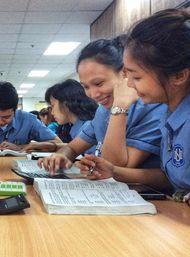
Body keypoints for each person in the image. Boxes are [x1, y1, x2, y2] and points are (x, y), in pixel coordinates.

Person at [76, 9, 190, 199]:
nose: (128, 84)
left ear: (178, 75)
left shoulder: (162, 112)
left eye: (136, 76)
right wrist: (113, 171)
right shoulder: (170, 114)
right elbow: (169, 177)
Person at [39, 36, 167, 173]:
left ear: (125, 73)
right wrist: (61, 156)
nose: (93, 95)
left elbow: (114, 165)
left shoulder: (152, 108)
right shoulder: (102, 111)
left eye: (99, 83)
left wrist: (119, 107)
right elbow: (73, 147)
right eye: (86, 87)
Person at [25, 79, 98, 152]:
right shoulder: (76, 127)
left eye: (53, 106)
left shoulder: (87, 128)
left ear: (66, 103)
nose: (52, 112)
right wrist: (53, 146)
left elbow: (91, 159)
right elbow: (76, 147)